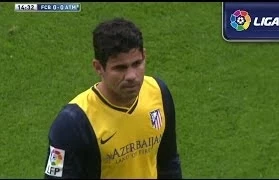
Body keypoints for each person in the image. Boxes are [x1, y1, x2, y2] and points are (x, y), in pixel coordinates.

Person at [43, 17, 182, 179]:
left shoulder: (158, 93)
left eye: (137, 64)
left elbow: (168, 161)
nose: (131, 76)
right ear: (98, 67)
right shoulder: (69, 125)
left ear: (144, 56)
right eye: (120, 68)